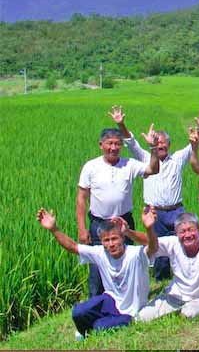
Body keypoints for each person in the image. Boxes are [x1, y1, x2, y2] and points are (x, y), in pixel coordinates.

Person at [109, 105, 199, 282]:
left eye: (163, 143)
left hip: (176, 210)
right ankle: (161, 281)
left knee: (183, 244)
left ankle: (185, 276)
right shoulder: (146, 158)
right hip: (154, 212)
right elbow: (131, 142)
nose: (160, 146)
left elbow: (195, 141)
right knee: (158, 248)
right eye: (157, 143)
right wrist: (121, 124)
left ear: (168, 144)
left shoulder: (177, 158)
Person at [36, 206, 158, 338]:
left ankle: (105, 326)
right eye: (107, 240)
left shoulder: (135, 255)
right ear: (102, 242)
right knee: (78, 312)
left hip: (130, 311)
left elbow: (153, 246)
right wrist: (54, 229)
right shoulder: (100, 253)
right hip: (110, 301)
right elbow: (73, 247)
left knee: (99, 326)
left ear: (123, 238)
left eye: (114, 239)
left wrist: (148, 228)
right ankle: (86, 332)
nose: (111, 244)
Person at [76, 127, 159, 297]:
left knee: (127, 263)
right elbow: (81, 199)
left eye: (117, 144)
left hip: (124, 223)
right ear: (101, 145)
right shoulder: (91, 166)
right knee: (97, 266)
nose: (113, 148)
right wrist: (82, 229)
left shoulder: (129, 164)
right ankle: (96, 301)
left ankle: (127, 300)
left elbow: (153, 169)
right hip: (99, 224)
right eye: (110, 143)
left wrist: (153, 149)